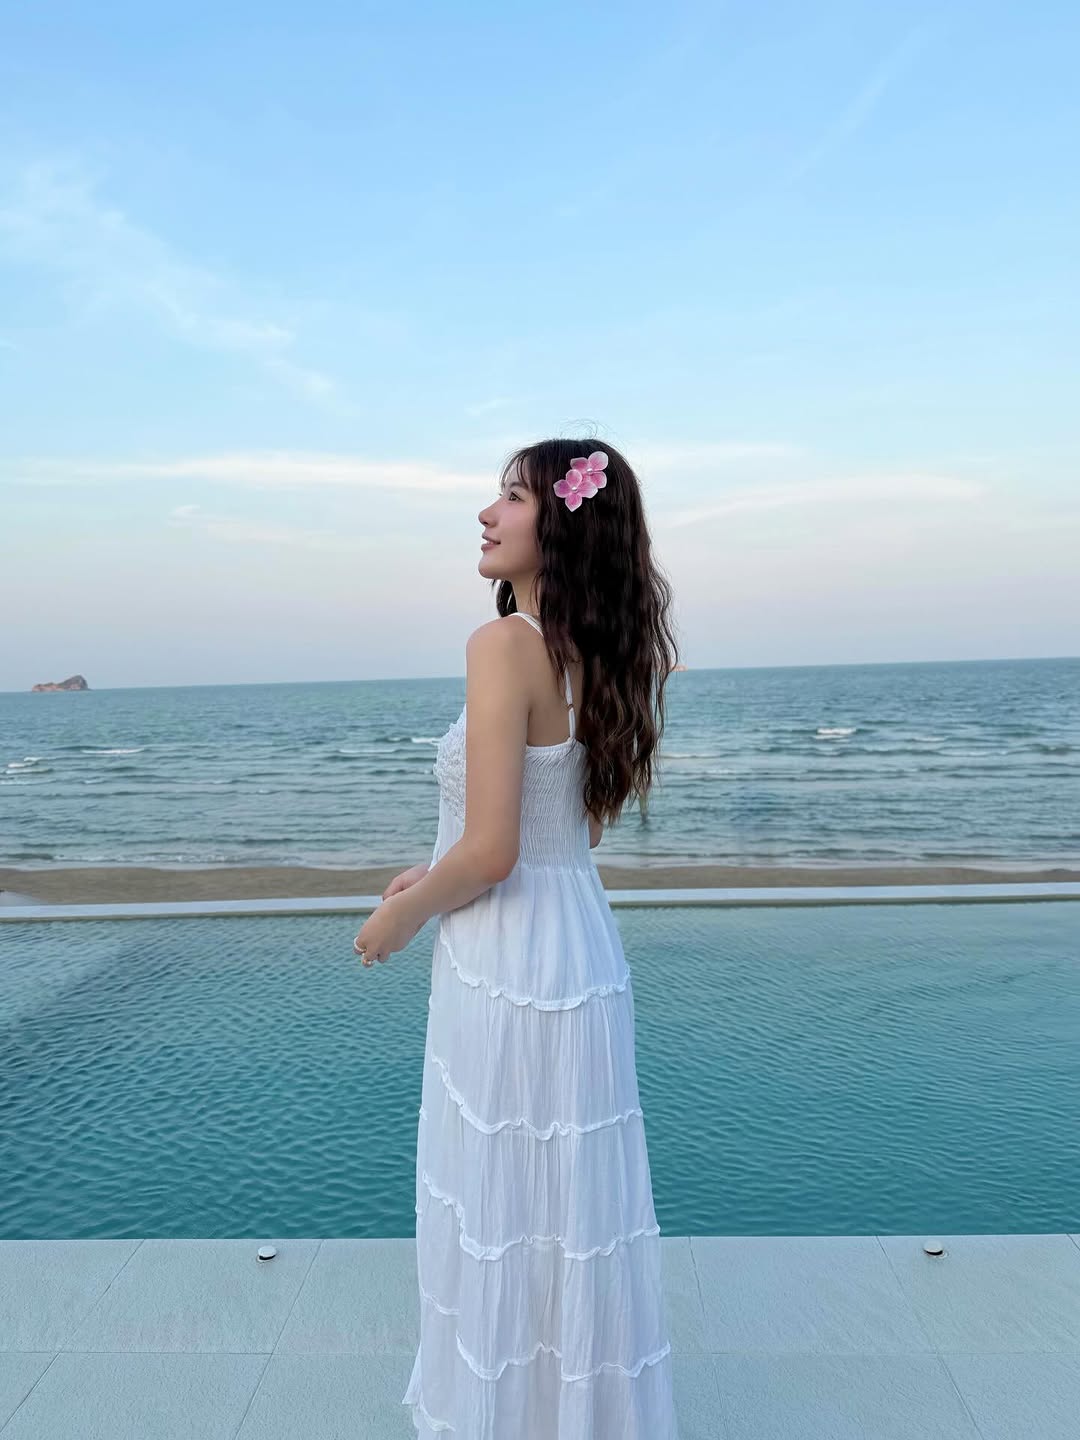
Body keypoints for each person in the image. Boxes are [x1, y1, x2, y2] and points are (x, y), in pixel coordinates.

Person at [353, 438, 681, 1437]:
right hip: (578, 948)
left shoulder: (502, 645)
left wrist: (402, 915)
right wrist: (431, 868)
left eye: (511, 498)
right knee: (570, 1216)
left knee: (499, 1208)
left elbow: (495, 852)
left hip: (505, 958)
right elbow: (566, 832)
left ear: (563, 525)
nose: (486, 514)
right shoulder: (598, 655)